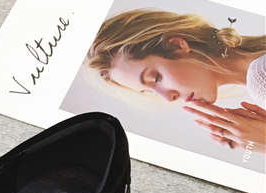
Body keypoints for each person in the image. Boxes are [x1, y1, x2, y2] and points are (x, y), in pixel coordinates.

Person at [84, 9, 266, 153]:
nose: (168, 97)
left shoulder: (260, 78)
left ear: (177, 45)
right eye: (152, 92)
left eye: (156, 78)